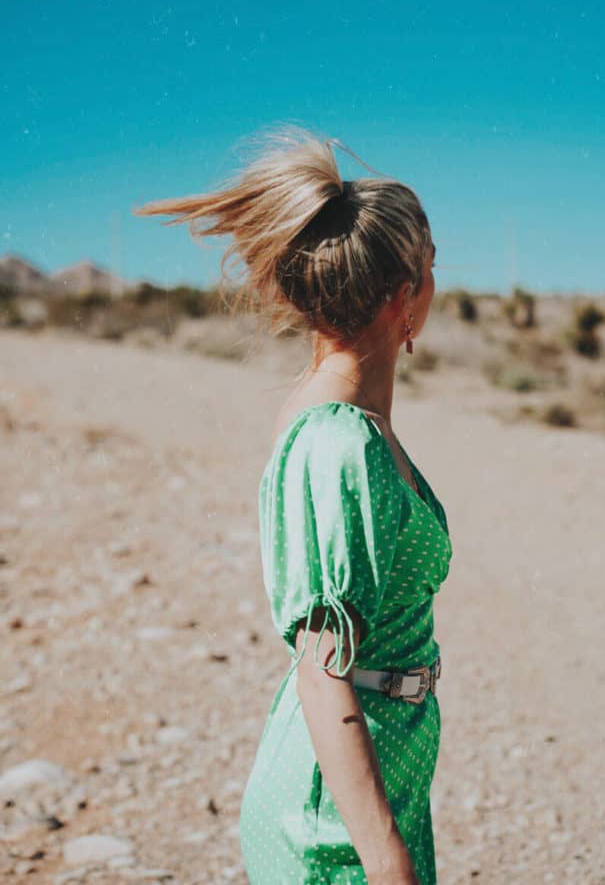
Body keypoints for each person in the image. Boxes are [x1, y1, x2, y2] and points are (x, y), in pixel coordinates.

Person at [133, 126, 453, 884]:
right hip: (333, 814)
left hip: (380, 769)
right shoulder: (339, 443)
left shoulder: (354, 427)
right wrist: (386, 860)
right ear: (403, 299)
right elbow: (321, 670)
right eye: (433, 270)